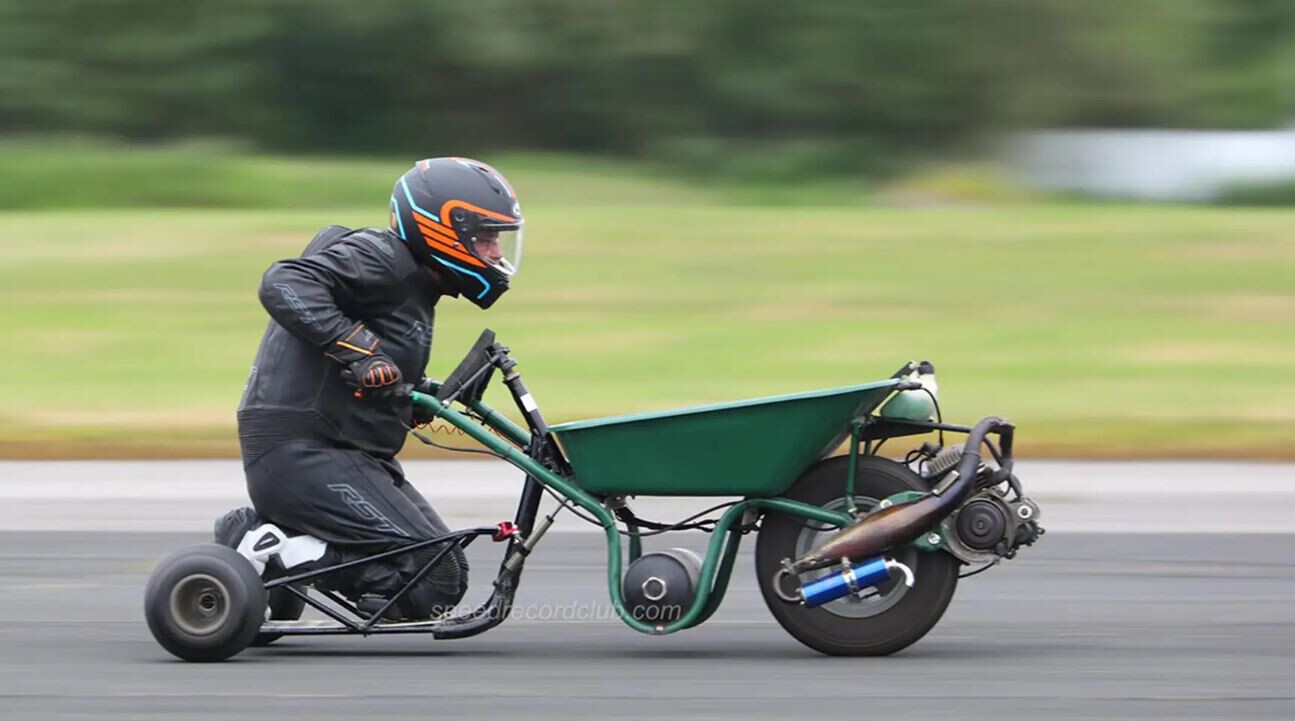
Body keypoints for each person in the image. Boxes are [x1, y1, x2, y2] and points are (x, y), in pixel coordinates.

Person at [215, 157, 524, 620]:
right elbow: (285, 281)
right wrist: (362, 353)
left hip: (345, 451)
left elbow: (370, 367)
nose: (495, 254)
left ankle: (283, 545)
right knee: (430, 578)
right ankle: (269, 547)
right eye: (485, 238)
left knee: (443, 577)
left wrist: (413, 392)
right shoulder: (382, 257)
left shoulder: (416, 284)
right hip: (304, 452)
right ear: (443, 229)